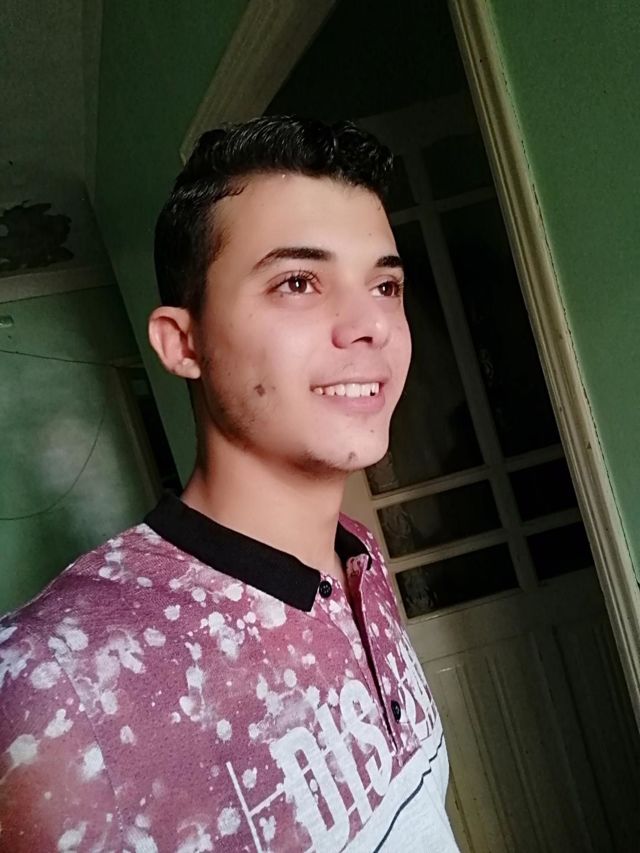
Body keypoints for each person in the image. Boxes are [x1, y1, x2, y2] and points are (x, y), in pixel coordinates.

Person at [0, 116, 459, 851]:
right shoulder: (50, 684)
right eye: (298, 282)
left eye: (384, 284)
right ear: (183, 343)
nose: (370, 323)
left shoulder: (358, 556)